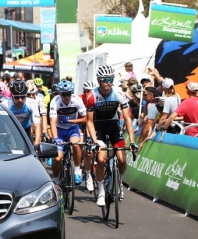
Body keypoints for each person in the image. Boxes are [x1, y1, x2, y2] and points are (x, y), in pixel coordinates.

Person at [86, 65, 138, 206]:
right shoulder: (91, 96)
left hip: (114, 127)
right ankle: (101, 192)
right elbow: (89, 122)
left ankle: (119, 182)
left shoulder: (118, 94)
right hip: (99, 128)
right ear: (98, 80)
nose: (108, 83)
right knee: (101, 159)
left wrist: (132, 141)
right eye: (105, 80)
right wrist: (94, 141)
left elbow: (127, 119)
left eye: (111, 79)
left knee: (122, 159)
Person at [49, 80, 87, 186]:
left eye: (69, 94)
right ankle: (56, 179)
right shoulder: (55, 101)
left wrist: (71, 121)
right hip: (59, 130)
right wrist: (55, 138)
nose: (67, 97)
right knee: (57, 158)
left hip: (72, 128)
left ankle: (77, 170)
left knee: (76, 145)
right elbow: (52, 122)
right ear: (60, 94)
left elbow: (86, 119)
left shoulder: (77, 100)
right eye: (64, 95)